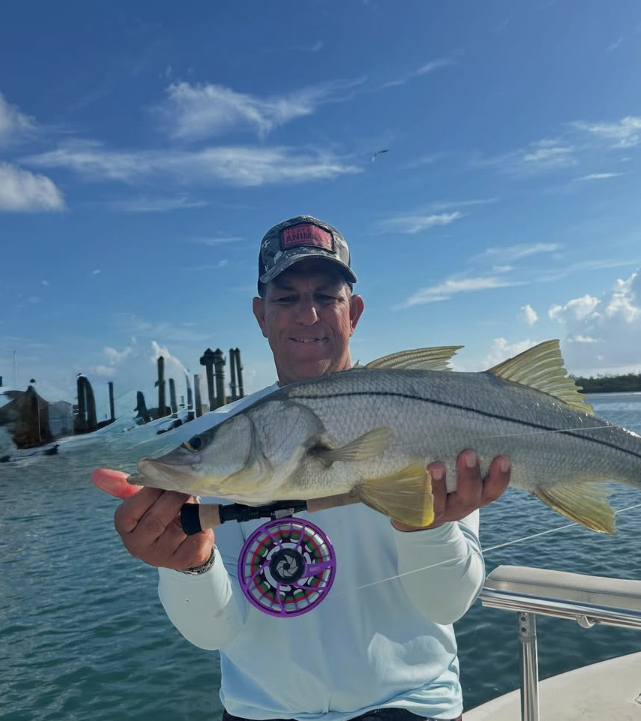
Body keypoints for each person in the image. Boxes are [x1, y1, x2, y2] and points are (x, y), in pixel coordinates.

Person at [93, 215, 511, 721]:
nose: (307, 316)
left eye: (327, 297)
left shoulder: (426, 416)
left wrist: (426, 525)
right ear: (260, 315)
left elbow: (447, 606)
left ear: (352, 312)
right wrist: (188, 568)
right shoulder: (220, 442)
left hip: (412, 707)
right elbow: (213, 633)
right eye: (286, 298)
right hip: (262, 712)